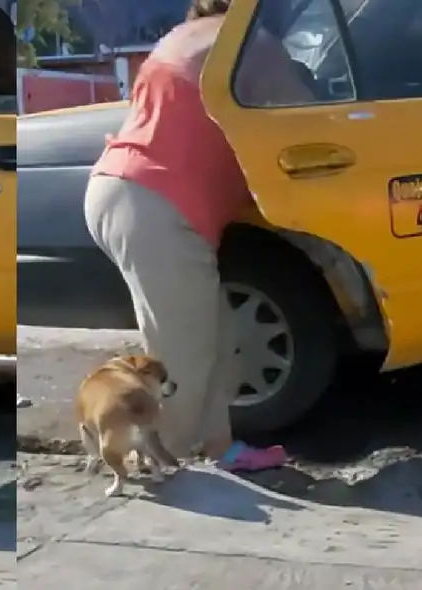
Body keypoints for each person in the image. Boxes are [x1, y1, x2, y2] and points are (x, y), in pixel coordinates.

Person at [83, 0, 312, 472]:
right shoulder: (247, 42)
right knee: (182, 357)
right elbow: (302, 112)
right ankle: (164, 467)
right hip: (155, 204)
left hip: (124, 189)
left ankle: (219, 449)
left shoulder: (182, 39)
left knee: (218, 337)